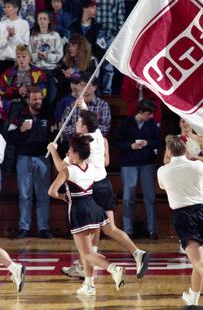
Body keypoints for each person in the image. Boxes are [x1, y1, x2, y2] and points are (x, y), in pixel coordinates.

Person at [48, 108, 149, 284]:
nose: (76, 124)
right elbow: (91, 122)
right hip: (104, 185)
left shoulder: (81, 143)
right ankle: (132, 254)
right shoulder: (99, 135)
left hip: (91, 188)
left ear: (85, 127)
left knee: (98, 230)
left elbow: (61, 169)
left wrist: (53, 150)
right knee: (104, 229)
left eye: (78, 122)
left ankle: (94, 265)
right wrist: (83, 106)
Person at [158, 135, 203, 309]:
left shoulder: (163, 170)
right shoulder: (198, 165)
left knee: (197, 261)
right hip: (202, 213)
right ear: (186, 150)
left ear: (169, 151)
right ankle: (193, 299)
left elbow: (162, 186)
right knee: (199, 260)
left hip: (183, 216)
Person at [48, 134, 127, 295]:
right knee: (89, 250)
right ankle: (89, 284)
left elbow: (52, 191)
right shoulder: (92, 167)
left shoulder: (67, 171)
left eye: (70, 151)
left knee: (86, 253)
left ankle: (113, 269)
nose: (68, 153)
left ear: (76, 153)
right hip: (94, 208)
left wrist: (63, 196)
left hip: (79, 211)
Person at [7, 86, 53, 239]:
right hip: (24, 158)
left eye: (39, 98)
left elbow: (54, 136)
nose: (38, 101)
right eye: (34, 99)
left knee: (43, 195)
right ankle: (24, 227)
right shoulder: (18, 115)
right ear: (28, 100)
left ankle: (43, 228)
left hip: (43, 158)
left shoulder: (47, 115)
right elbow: (10, 138)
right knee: (25, 195)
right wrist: (20, 130)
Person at [115, 99, 160, 239]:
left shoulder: (151, 124)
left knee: (150, 197)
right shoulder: (126, 123)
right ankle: (128, 230)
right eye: (149, 113)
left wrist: (147, 143)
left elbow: (158, 141)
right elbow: (118, 142)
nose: (151, 116)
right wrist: (130, 146)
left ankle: (152, 230)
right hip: (129, 163)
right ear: (141, 112)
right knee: (128, 198)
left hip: (147, 163)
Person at [84, 0, 125, 95]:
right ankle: (93, 91)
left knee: (108, 66)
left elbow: (120, 16)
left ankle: (107, 92)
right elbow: (85, 13)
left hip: (110, 34)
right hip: (95, 33)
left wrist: (119, 36)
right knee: (93, 64)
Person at [61, 72, 111, 139]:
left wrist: (84, 128)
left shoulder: (103, 106)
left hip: (94, 142)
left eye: (88, 86)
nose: (84, 89)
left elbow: (105, 129)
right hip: (76, 142)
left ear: (95, 87)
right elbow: (64, 128)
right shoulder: (72, 105)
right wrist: (78, 129)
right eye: (82, 85)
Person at [29, 10, 63, 104]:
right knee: (38, 97)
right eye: (40, 19)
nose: (42, 21)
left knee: (51, 96)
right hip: (37, 71)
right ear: (37, 21)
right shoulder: (33, 36)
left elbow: (59, 54)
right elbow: (29, 54)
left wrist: (48, 56)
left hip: (51, 71)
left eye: (45, 19)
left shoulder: (55, 35)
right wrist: (37, 56)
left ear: (49, 21)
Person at [0, 0, 30, 71]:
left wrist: (13, 36)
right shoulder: (2, 23)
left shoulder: (24, 23)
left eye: (8, 7)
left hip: (17, 62)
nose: (5, 9)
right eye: (4, 7)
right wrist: (6, 38)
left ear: (16, 9)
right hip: (2, 60)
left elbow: (24, 45)